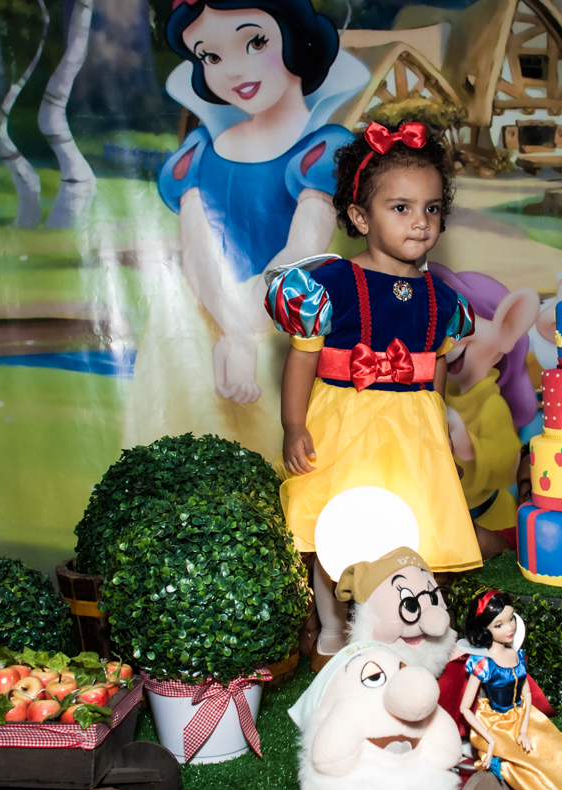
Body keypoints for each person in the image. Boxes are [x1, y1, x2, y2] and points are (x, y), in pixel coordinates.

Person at [265, 122, 482, 664]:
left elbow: (436, 374)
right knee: (338, 534)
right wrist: (295, 426)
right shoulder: (329, 285)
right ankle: (335, 632)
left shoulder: (442, 299)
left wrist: (441, 423)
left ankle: (407, 633)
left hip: (412, 434)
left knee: (413, 533)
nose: (420, 222)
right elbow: (303, 358)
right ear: (361, 217)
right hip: (347, 425)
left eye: (432, 209)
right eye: (401, 208)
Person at [124, 0, 365, 457]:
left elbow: (302, 249)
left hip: (284, 324)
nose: (234, 70)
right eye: (210, 56)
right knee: (188, 463)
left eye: (254, 42)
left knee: (282, 462)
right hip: (199, 326)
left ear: (294, 37)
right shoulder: (198, 151)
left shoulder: (324, 148)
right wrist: (232, 332)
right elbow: (198, 248)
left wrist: (247, 334)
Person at [459, 591, 562, 790]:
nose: (510, 627)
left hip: (524, 717)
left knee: (557, 749)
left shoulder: (516, 655)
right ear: (485, 629)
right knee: (536, 763)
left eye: (511, 618)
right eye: (499, 625)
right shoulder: (482, 663)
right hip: (498, 726)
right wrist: (490, 739)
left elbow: (527, 694)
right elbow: (465, 709)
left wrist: (523, 729)